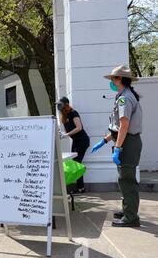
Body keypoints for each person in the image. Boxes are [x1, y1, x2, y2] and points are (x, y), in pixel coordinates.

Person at [91, 65, 143, 227]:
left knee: (127, 180)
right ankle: (128, 210)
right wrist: (105, 140)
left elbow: (124, 125)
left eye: (113, 79)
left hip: (127, 143)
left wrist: (118, 148)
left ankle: (131, 217)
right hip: (125, 141)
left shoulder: (124, 98)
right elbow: (118, 128)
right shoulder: (124, 95)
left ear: (119, 79)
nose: (111, 82)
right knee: (124, 179)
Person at [56, 96, 90, 194]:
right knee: (76, 164)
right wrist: (61, 133)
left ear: (66, 104)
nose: (58, 106)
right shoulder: (64, 116)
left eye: (60, 104)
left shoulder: (73, 113)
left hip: (82, 141)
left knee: (76, 164)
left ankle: (80, 188)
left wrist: (66, 135)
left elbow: (79, 128)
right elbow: (69, 130)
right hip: (76, 141)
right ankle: (80, 187)